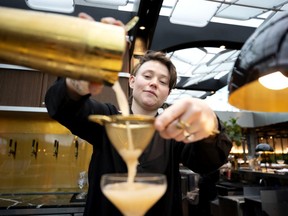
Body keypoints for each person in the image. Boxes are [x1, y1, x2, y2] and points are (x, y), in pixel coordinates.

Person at [45, 13, 232, 216]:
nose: (154, 83)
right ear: (132, 81)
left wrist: (209, 125)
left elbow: (208, 162)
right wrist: (76, 81)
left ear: (167, 92)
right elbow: (63, 108)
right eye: (148, 76)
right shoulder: (108, 119)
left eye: (162, 81)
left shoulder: (174, 131)